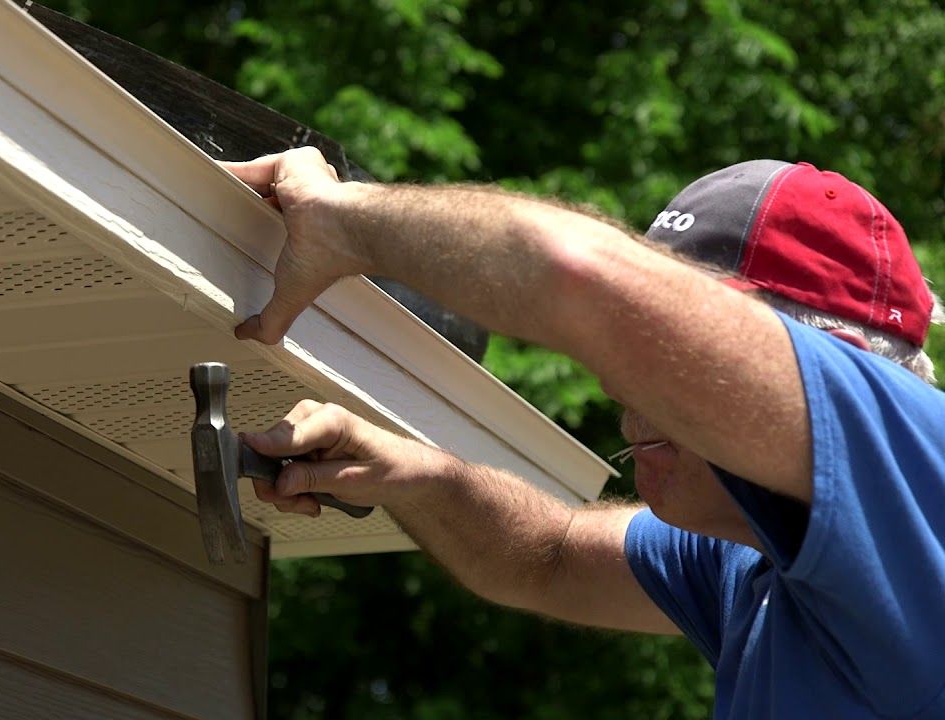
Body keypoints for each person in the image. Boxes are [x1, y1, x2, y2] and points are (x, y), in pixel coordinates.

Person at [222, 150, 945, 718]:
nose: (621, 386)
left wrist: (338, 218)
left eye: (674, 353)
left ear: (842, 367)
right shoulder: (751, 563)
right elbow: (548, 559)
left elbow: (576, 276)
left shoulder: (922, 482)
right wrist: (411, 473)